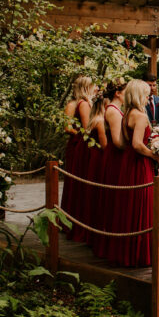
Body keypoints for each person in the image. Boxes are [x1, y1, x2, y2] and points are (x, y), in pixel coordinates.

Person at [105, 80, 159, 268]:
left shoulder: (127, 113)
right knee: (141, 204)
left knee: (128, 205)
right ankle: (138, 254)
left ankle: (125, 251)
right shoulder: (141, 116)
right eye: (146, 93)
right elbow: (137, 144)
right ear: (138, 95)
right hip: (139, 164)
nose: (149, 96)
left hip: (127, 163)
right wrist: (154, 155)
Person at [90, 78, 126, 260]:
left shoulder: (115, 109)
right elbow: (118, 141)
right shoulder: (113, 111)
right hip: (114, 157)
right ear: (118, 93)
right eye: (125, 91)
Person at [71, 90, 109, 244]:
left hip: (93, 157)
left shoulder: (94, 119)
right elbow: (105, 145)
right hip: (99, 158)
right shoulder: (100, 121)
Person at [62, 76, 95, 242]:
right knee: (76, 181)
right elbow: (70, 127)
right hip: (78, 147)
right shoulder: (76, 104)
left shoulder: (85, 103)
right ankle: (72, 221)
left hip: (81, 145)